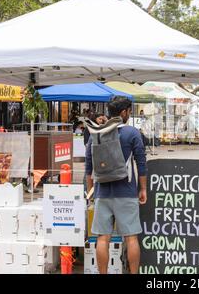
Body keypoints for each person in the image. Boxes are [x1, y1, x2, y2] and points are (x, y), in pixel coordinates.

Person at [85, 97, 147, 274]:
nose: (129, 114)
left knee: (102, 239)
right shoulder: (132, 133)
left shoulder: (96, 133)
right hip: (126, 192)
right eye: (129, 110)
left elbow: (89, 168)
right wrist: (142, 189)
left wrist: (91, 192)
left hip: (102, 193)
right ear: (123, 113)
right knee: (131, 239)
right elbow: (141, 163)